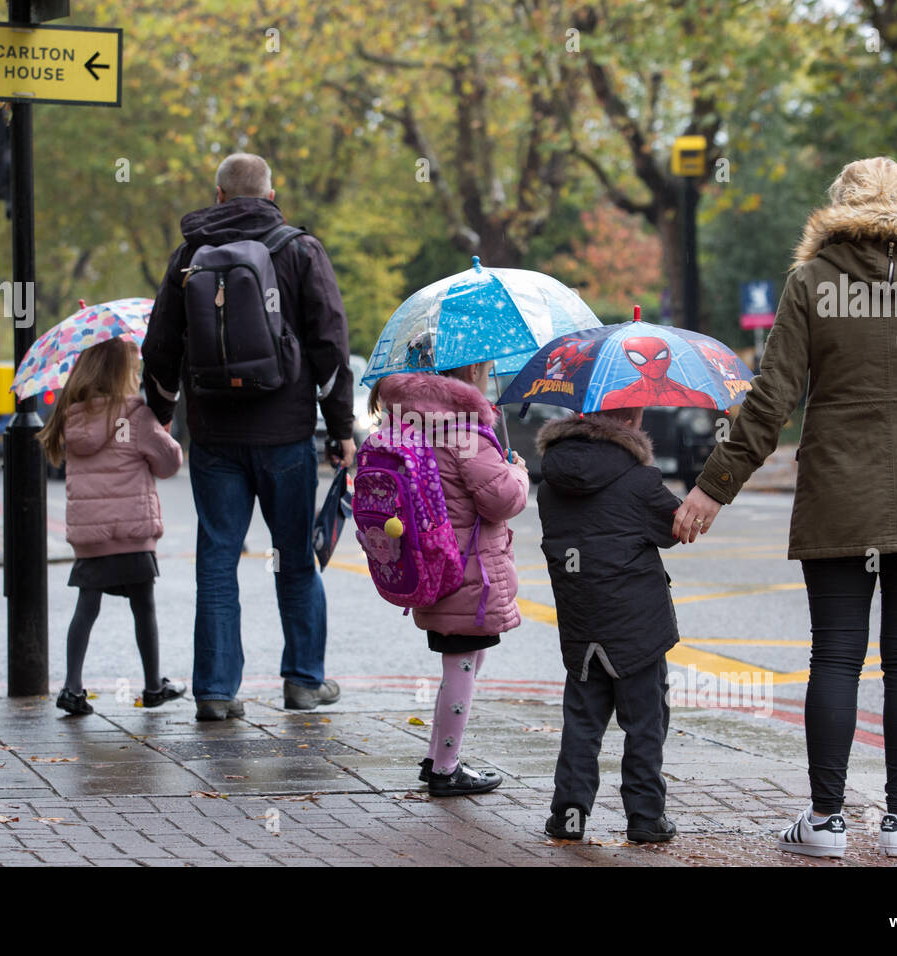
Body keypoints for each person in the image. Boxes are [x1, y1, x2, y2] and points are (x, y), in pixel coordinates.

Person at [673, 157, 897, 858]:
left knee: (835, 655)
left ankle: (824, 824)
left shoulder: (812, 284)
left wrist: (712, 486)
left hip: (836, 497)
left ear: (839, 207)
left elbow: (771, 400)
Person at [141, 152, 355, 720]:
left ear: (218, 196)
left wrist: (160, 411)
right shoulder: (299, 250)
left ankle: (214, 692)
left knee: (216, 560)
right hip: (285, 435)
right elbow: (329, 346)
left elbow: (160, 345)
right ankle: (304, 681)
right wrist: (340, 429)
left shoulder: (190, 254)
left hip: (213, 435)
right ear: (270, 192)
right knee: (293, 559)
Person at [371, 364, 529, 796]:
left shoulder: (404, 423)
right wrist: (518, 472)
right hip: (466, 570)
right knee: (461, 660)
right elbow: (502, 501)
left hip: (426, 562)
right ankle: (445, 768)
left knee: (465, 658)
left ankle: (438, 756)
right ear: (475, 370)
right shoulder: (466, 434)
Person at [536, 407, 681, 843]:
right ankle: (645, 817)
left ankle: (570, 816)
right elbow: (673, 529)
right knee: (645, 722)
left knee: (582, 721)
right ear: (632, 422)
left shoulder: (550, 482)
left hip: (581, 622)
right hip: (636, 627)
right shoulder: (639, 480)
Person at [38, 338, 186, 716]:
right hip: (132, 532)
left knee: (86, 607)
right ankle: (153, 685)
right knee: (144, 607)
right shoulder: (134, 414)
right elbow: (168, 464)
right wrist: (163, 430)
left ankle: (72, 687)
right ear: (124, 372)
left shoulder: (72, 415)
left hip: (91, 535)